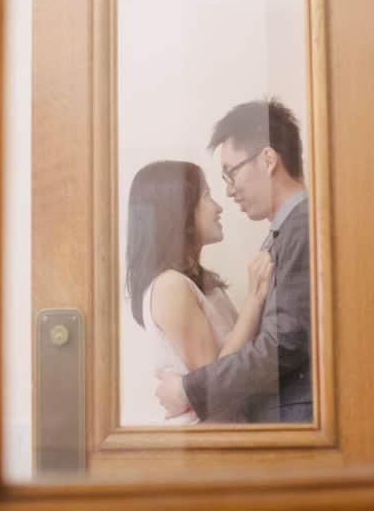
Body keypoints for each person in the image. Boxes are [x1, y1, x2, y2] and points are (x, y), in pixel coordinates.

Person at [155, 98, 313, 423]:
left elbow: (285, 343)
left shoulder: (302, 226)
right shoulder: (283, 232)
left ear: (269, 159)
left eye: (231, 173)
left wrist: (189, 390)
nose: (229, 192)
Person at [126, 160, 274, 424]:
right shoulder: (169, 286)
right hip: (205, 448)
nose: (218, 207)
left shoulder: (198, 284)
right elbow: (215, 383)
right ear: (178, 209)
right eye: (206, 195)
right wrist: (254, 299)